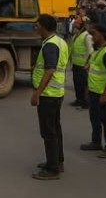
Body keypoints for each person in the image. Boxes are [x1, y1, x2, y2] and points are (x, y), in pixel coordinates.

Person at [31, 14, 69, 180]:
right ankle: (57, 161)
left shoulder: (50, 45)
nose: (36, 28)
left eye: (37, 25)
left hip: (48, 94)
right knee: (55, 129)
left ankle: (52, 169)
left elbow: (50, 70)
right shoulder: (60, 41)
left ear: (44, 27)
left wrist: (37, 92)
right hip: (56, 92)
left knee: (48, 132)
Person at [81, 24, 106, 158]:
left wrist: (105, 94)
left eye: (95, 34)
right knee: (95, 118)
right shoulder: (97, 51)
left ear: (102, 35)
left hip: (103, 93)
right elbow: (92, 69)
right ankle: (96, 142)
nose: (92, 37)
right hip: (94, 91)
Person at [69, 16, 93, 109]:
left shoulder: (87, 36)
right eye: (75, 24)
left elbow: (91, 52)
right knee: (77, 83)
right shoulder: (76, 36)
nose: (75, 26)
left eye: (77, 24)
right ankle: (79, 99)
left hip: (83, 66)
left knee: (84, 84)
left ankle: (85, 101)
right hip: (76, 64)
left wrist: (88, 64)